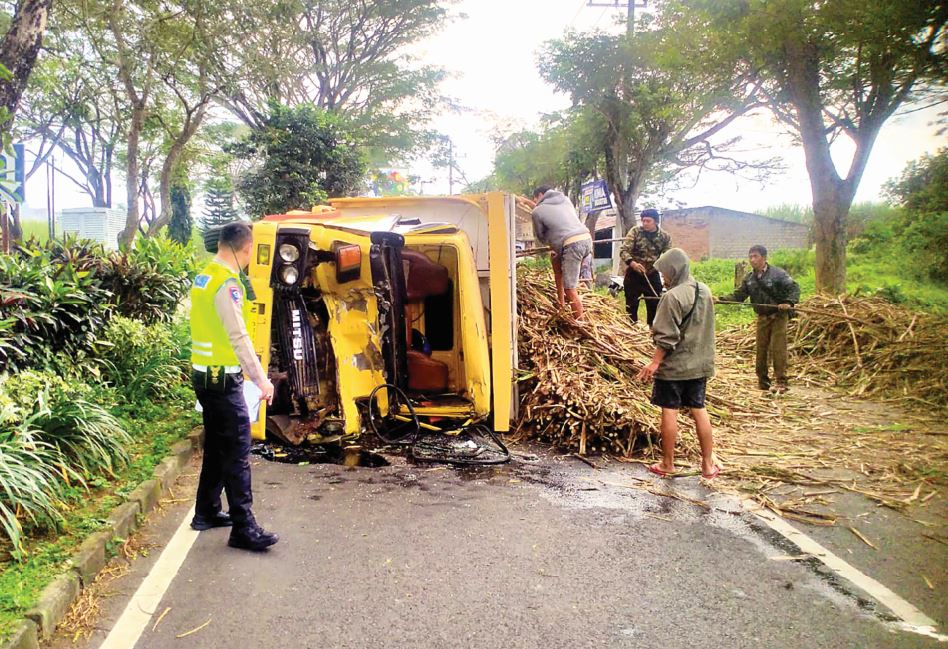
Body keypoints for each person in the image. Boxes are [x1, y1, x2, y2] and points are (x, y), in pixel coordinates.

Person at [190, 222, 279, 551]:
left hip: (204, 375)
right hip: (223, 379)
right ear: (245, 249)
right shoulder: (227, 285)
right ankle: (244, 527)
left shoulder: (204, 277)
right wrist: (261, 380)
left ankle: (207, 510)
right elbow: (238, 336)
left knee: (217, 444)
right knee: (238, 450)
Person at [636, 248, 719, 479]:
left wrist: (654, 362)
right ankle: (707, 466)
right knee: (699, 409)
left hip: (674, 368)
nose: (663, 277)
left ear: (674, 270)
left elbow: (666, 337)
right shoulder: (705, 290)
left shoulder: (671, 297)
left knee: (669, 411)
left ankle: (667, 463)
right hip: (699, 365)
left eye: (665, 272)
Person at [720, 245, 800, 394]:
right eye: (750, 257)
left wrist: (788, 302)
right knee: (761, 349)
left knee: (778, 348)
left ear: (764, 258)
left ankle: (781, 381)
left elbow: (794, 288)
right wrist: (720, 299)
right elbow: (739, 295)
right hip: (762, 317)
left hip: (778, 316)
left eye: (755, 256)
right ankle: (763, 381)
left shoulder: (778, 274)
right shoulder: (749, 279)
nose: (752, 260)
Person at [531, 185, 593, 319]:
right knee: (557, 264)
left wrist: (550, 242)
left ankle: (581, 326)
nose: (535, 202)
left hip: (572, 244)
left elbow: (540, 236)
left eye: (535, 199)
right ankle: (561, 305)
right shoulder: (565, 200)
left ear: (540, 195)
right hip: (586, 238)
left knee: (570, 288)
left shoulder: (537, 211)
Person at [619, 208, 672, 327]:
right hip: (634, 273)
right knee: (631, 304)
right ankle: (631, 328)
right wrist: (633, 264)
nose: (645, 223)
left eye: (648, 221)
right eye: (643, 221)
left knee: (654, 303)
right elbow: (624, 251)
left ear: (656, 222)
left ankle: (652, 330)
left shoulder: (665, 237)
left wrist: (664, 272)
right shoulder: (635, 231)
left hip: (652, 274)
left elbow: (668, 256)